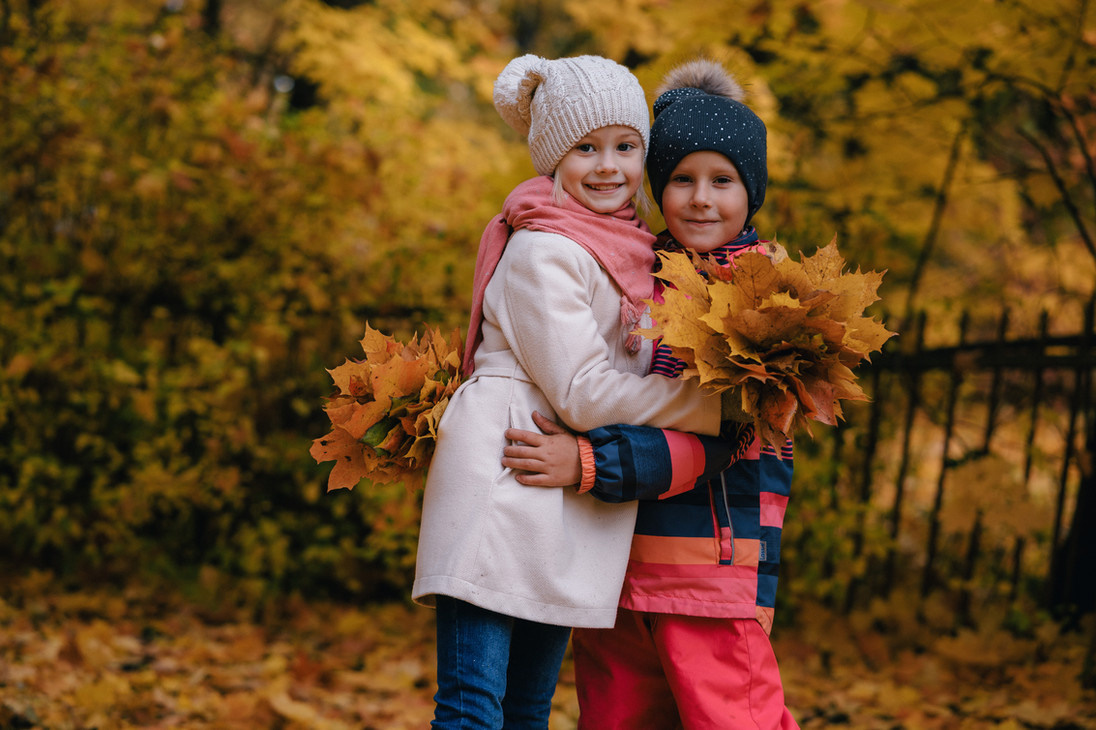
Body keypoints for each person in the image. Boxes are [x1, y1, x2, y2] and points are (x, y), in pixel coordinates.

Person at [412, 54, 728, 730]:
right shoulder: (543, 251)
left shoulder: (630, 250)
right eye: (585, 148)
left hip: (564, 500)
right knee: (473, 705)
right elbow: (583, 391)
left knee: (529, 708)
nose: (608, 165)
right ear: (553, 157)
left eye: (624, 146)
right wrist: (710, 406)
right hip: (504, 475)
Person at [502, 60, 800, 729]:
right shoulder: (636, 279)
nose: (700, 199)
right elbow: (603, 387)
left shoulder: (769, 304)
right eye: (681, 180)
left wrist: (584, 463)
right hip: (613, 568)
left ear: (751, 193)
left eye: (722, 181)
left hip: (710, 571)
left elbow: (725, 441)